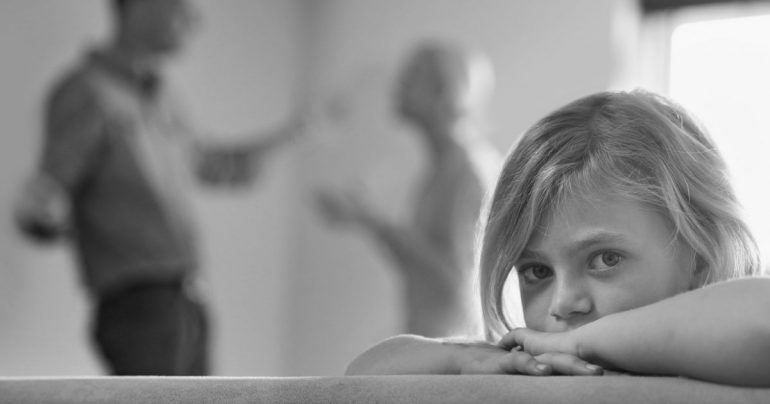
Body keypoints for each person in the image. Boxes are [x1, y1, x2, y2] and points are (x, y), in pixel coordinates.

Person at [345, 90, 770, 388]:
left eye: (605, 259)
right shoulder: (537, 367)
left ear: (700, 257)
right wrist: (464, 359)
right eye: (536, 271)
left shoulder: (724, 357)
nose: (563, 303)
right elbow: (362, 376)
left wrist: (580, 340)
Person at [14, 0, 303, 375]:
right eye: (181, 6)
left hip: (187, 302)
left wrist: (293, 135)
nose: (195, 19)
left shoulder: (165, 98)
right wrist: (42, 213)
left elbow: (209, 164)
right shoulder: (85, 91)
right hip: (140, 307)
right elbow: (49, 198)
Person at [315, 41, 501, 337]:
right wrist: (366, 219)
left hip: (454, 347)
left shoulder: (469, 171)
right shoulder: (442, 168)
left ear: (444, 91)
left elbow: (454, 281)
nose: (398, 84)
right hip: (437, 343)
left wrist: (373, 220)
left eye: (413, 74)